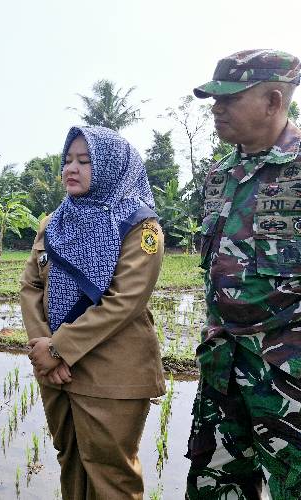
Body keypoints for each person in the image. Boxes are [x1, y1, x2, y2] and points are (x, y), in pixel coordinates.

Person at [21, 126, 165, 500]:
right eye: (68, 159)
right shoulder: (54, 222)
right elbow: (32, 286)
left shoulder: (139, 224)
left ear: (110, 167)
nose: (71, 168)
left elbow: (124, 300)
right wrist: (42, 345)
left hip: (112, 371)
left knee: (110, 474)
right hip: (54, 368)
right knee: (70, 461)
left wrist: (58, 348)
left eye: (85, 161)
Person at [185, 49, 301, 500]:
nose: (216, 109)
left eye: (229, 98)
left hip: (287, 377)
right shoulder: (220, 175)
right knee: (216, 486)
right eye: (214, 99)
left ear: (274, 101)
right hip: (223, 367)